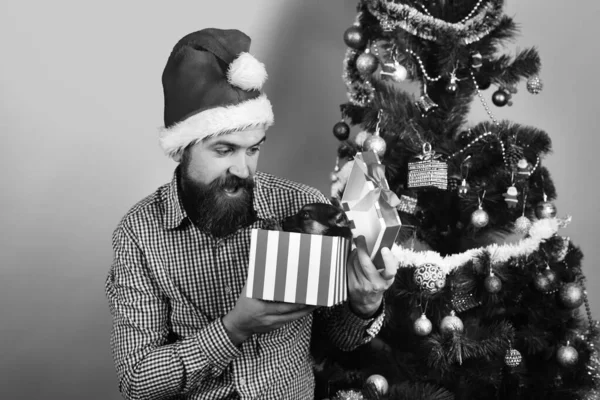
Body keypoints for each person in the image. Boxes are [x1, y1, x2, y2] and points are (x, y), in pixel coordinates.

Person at [105, 28, 399, 400]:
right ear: (182, 150)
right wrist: (232, 329)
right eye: (224, 150)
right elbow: (137, 382)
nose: (244, 170)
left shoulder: (300, 206)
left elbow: (338, 338)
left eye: (253, 149)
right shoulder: (138, 234)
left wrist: (364, 303)